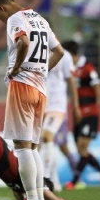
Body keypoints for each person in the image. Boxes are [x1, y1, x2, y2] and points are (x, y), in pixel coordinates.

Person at [0, 0, 64, 200]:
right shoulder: (39, 19)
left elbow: (23, 42)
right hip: (40, 88)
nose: (0, 20)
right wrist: (40, 72)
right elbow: (58, 52)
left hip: (22, 86)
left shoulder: (14, 19)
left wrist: (17, 68)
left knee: (21, 147)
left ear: (1, 8)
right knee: (31, 147)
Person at [63, 41, 100, 190]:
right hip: (78, 114)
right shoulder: (70, 69)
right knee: (80, 150)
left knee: (82, 148)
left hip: (90, 113)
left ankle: (74, 181)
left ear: (71, 54)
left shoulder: (88, 68)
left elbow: (98, 89)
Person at [39, 46, 81, 192]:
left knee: (47, 137)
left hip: (57, 106)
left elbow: (71, 81)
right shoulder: (38, 51)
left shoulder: (65, 55)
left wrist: (75, 106)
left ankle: (46, 178)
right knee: (41, 144)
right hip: (41, 104)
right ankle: (54, 180)